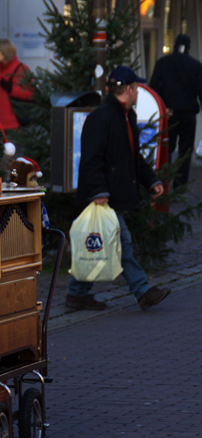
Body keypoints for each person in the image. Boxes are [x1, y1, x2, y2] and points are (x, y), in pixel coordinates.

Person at [66, 66, 171, 312]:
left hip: (111, 193)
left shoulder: (126, 116)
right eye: (137, 88)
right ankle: (143, 291)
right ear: (130, 89)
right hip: (104, 196)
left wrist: (152, 180)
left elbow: (133, 158)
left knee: (102, 245)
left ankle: (76, 294)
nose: (138, 92)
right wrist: (99, 191)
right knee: (122, 243)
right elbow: (91, 159)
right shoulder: (102, 117)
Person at [150, 34, 202, 189]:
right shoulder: (196, 66)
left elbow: (154, 86)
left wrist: (161, 106)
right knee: (185, 151)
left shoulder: (163, 63)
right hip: (188, 113)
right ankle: (179, 185)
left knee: (167, 148)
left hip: (169, 112)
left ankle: (163, 183)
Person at [0, 38, 34, 131]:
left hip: (15, 126)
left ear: (6, 52)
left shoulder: (21, 68)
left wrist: (11, 89)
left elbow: (30, 93)